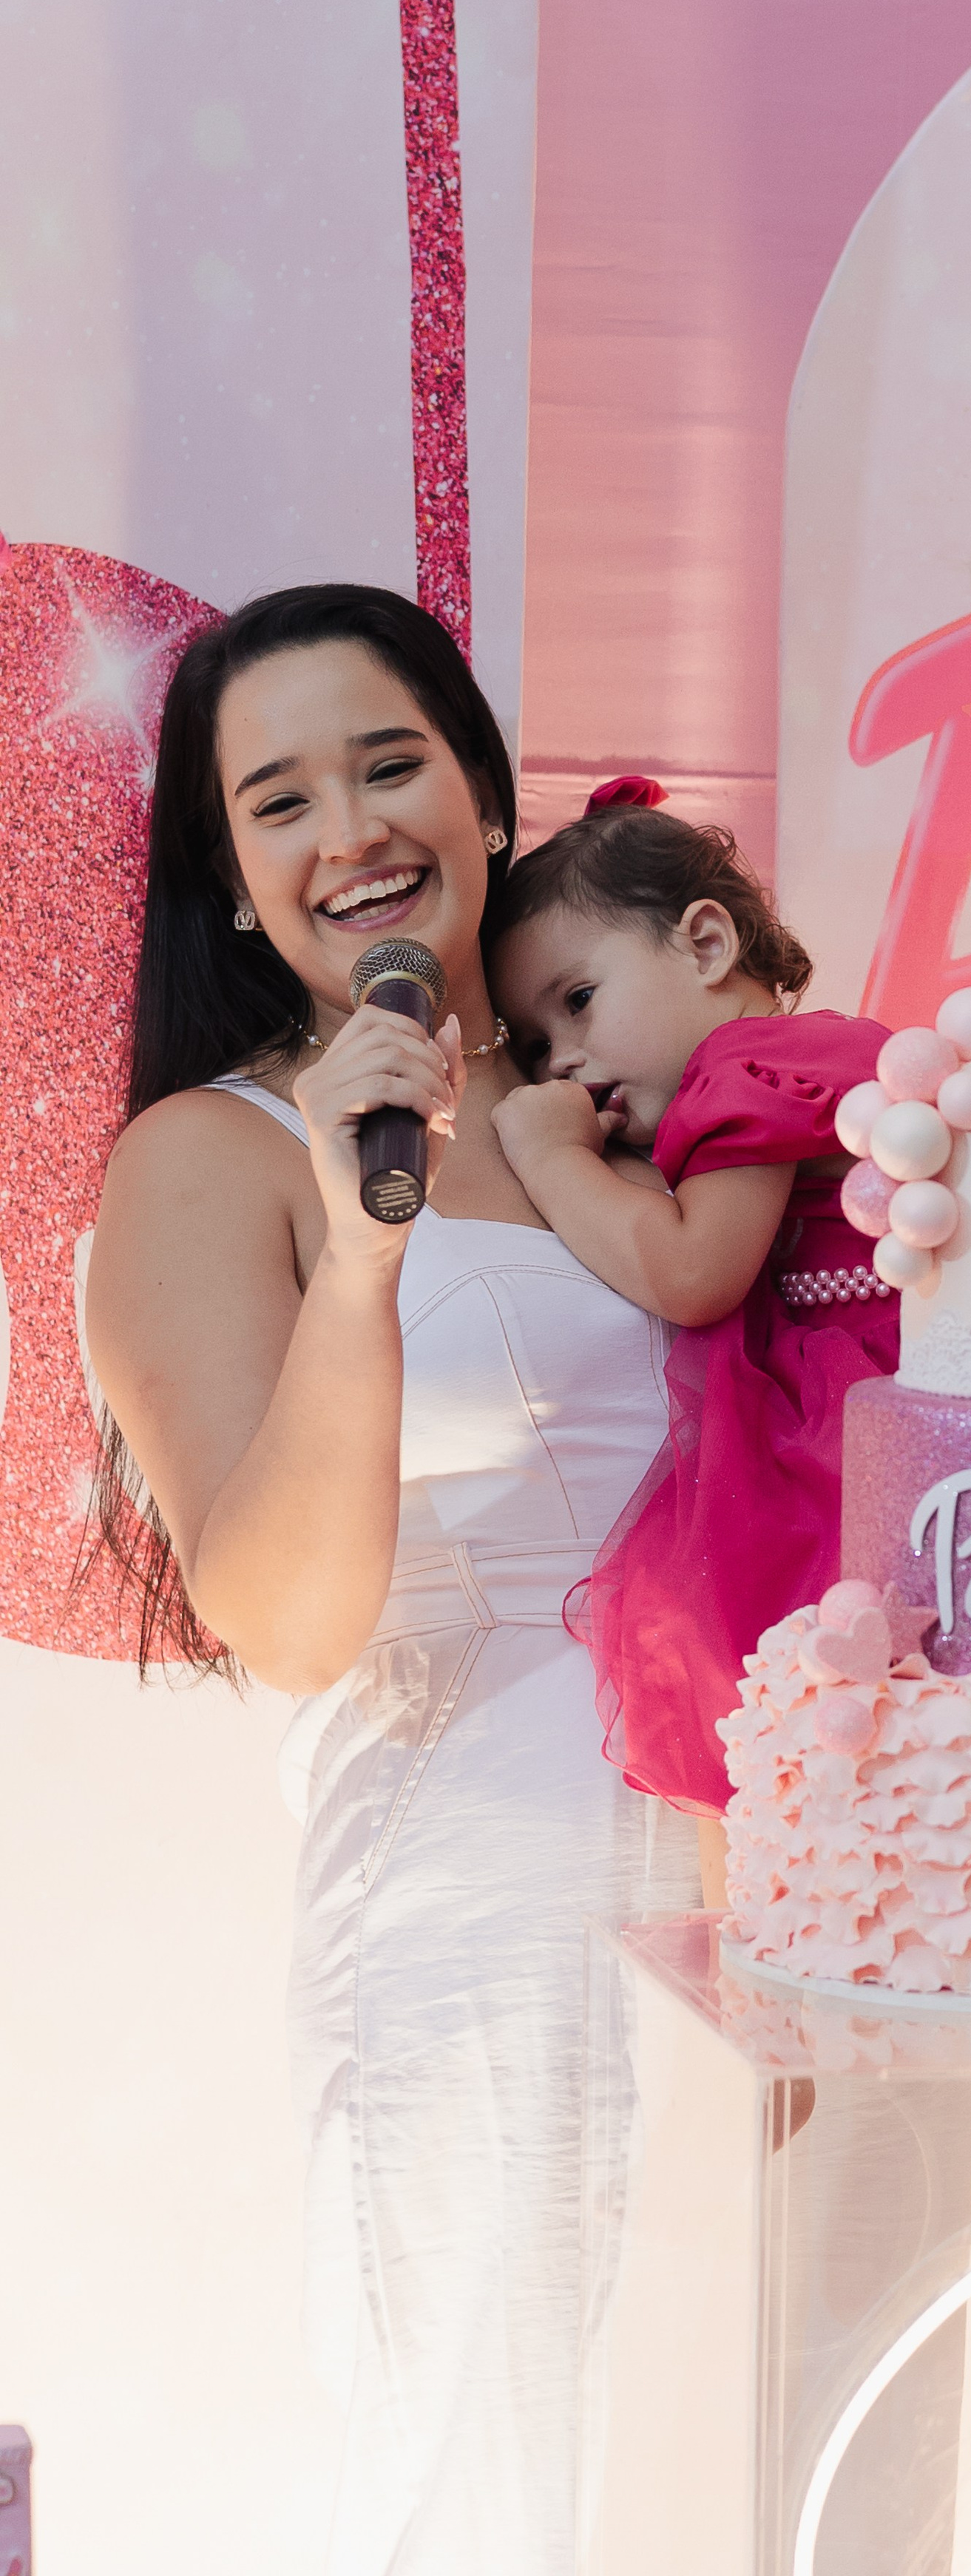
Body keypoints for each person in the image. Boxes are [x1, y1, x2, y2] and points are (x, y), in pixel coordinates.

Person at [84, 588, 700, 2576]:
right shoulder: (213, 1159)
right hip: (484, 1910)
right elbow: (286, 1623)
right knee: (498, 2485)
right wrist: (365, 1252)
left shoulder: (637, 1097)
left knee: (786, 2435)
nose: (349, 830)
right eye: (280, 800)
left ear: (486, 793)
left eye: (388, 765)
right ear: (229, 871)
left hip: (774, 1877)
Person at [486, 789, 898, 1890]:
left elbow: (691, 1274)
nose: (561, 1061)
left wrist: (549, 1157)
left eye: (579, 1001)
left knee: (762, 1699)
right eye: (535, 1045)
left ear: (706, 943)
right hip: (915, 1421)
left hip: (862, 1443)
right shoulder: (814, 1053)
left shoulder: (746, 1072)